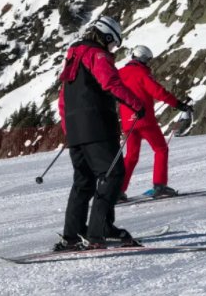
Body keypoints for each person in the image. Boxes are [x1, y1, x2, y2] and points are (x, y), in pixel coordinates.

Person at [54, 16, 147, 251]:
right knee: (113, 174)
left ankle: (72, 235)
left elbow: (62, 99)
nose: (113, 49)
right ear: (106, 36)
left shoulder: (72, 57)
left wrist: (70, 130)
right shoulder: (97, 55)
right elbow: (111, 84)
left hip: (76, 131)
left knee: (83, 181)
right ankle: (99, 231)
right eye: (113, 43)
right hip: (97, 125)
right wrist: (137, 105)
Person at [117, 45, 193, 200]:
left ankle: (117, 190)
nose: (148, 63)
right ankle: (159, 185)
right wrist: (179, 104)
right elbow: (158, 91)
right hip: (144, 120)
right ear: (143, 59)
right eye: (148, 60)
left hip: (127, 122)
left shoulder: (120, 74)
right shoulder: (142, 73)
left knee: (131, 156)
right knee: (161, 149)